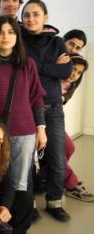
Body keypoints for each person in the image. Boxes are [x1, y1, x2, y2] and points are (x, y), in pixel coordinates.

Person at [21, 0, 73, 222]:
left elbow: (66, 70)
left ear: (45, 17)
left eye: (36, 14)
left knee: (57, 160)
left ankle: (54, 202)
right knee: (26, 162)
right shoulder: (18, 40)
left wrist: (36, 68)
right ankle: (29, 206)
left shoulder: (57, 41)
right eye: (27, 15)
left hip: (52, 108)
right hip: (25, 108)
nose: (31, 19)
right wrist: (51, 68)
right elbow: (22, 71)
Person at [39, 52, 93, 201]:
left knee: (70, 148)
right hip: (39, 120)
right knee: (59, 154)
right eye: (73, 69)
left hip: (54, 121)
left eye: (78, 72)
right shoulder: (52, 80)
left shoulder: (70, 85)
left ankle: (47, 174)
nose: (74, 74)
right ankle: (71, 184)